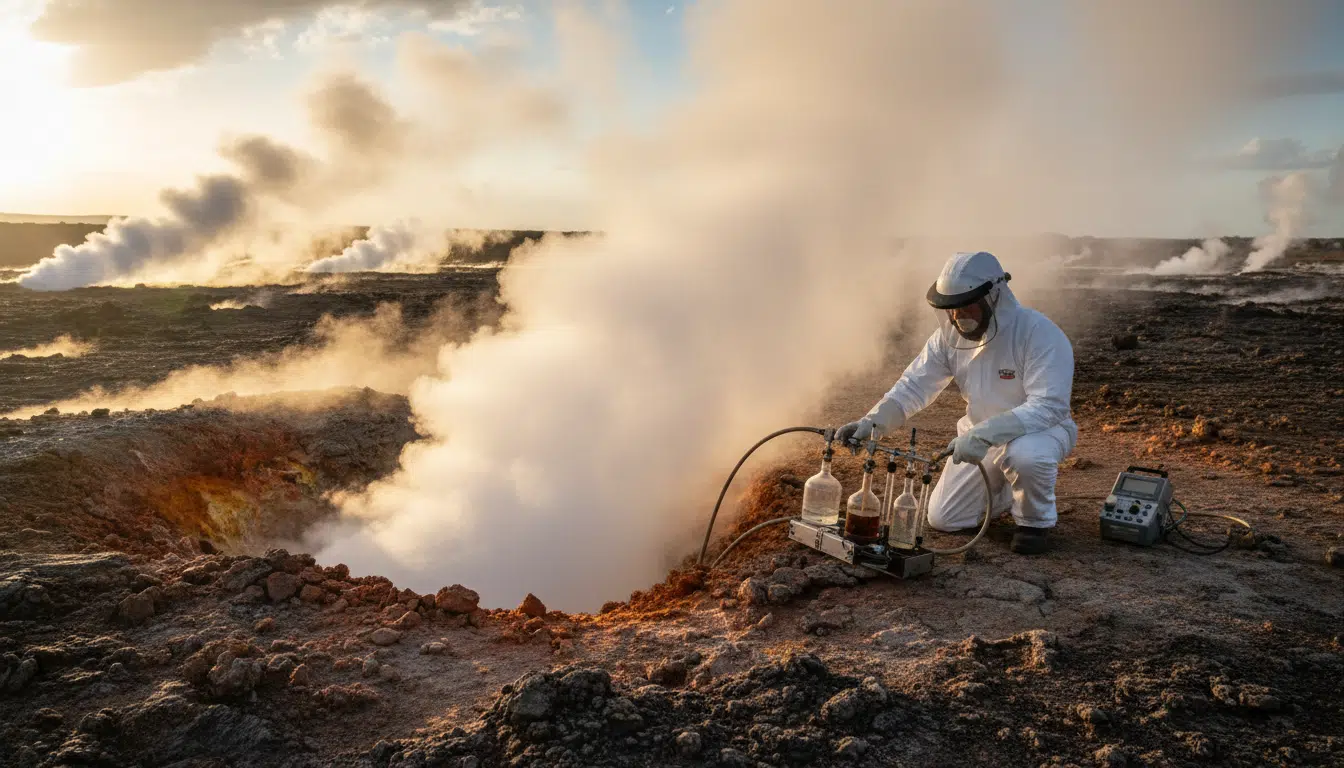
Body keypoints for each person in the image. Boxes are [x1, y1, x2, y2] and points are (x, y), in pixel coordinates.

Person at [836, 251, 1077, 554]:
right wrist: (871, 423)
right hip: (978, 438)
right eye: (951, 308)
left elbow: (1049, 406)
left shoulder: (1037, 333)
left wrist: (985, 434)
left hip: (1038, 432)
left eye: (967, 306)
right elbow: (913, 386)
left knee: (1026, 457)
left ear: (994, 296)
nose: (958, 316)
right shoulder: (947, 338)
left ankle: (1034, 522)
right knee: (945, 518)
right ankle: (1007, 491)